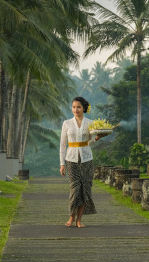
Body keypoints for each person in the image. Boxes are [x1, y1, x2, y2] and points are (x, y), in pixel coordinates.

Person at [59, 96, 107, 228]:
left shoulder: (90, 123)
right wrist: (62, 164)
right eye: (74, 107)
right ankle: (71, 217)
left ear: (84, 108)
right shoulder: (67, 123)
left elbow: (89, 141)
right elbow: (63, 145)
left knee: (85, 189)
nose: (76, 109)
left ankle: (79, 220)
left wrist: (96, 138)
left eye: (78, 107)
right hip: (71, 160)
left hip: (86, 159)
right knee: (75, 188)